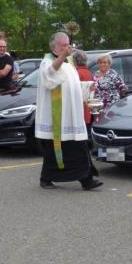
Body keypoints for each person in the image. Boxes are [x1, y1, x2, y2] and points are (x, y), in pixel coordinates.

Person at [35, 32, 102, 191]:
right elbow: (49, 76)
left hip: (71, 114)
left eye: (68, 45)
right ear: (55, 46)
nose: (68, 48)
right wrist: (62, 56)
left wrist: (87, 86)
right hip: (57, 117)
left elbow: (72, 85)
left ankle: (82, 179)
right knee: (55, 149)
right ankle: (82, 180)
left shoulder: (70, 62)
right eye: (64, 45)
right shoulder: (47, 61)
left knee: (77, 146)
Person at [72, 50, 94, 131]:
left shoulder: (76, 73)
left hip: (79, 111)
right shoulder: (89, 73)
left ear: (75, 61)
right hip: (88, 109)